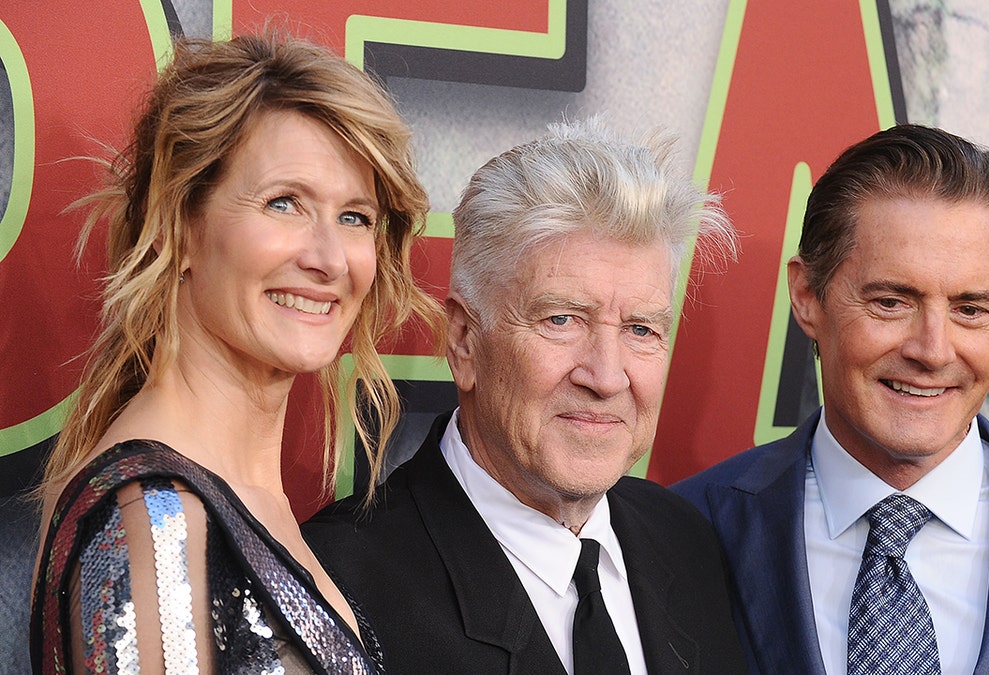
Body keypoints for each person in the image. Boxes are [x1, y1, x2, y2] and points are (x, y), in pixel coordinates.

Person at [674, 124, 989, 674]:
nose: (933, 350)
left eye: (970, 309)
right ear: (808, 296)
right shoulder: (676, 536)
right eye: (892, 301)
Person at [30, 33, 443, 673]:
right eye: (285, 203)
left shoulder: (234, 498)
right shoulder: (153, 516)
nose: (328, 259)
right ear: (178, 226)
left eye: (355, 217)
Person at [303, 119, 748, 674]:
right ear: (464, 341)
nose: (607, 377)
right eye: (561, 319)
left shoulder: (686, 542)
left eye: (640, 330)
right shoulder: (335, 590)